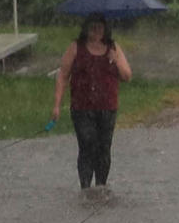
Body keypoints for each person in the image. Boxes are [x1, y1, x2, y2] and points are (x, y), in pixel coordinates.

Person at [52, 13, 132, 192]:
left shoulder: (113, 47)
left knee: (104, 148)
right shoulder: (76, 48)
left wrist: (116, 59)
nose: (96, 31)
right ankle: (86, 188)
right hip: (82, 108)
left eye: (100, 27)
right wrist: (57, 105)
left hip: (107, 107)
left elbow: (127, 76)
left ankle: (101, 187)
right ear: (86, 29)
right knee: (87, 144)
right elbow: (63, 75)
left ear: (105, 30)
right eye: (92, 27)